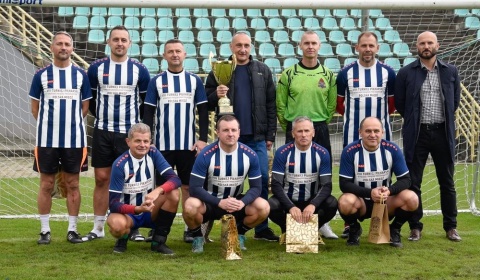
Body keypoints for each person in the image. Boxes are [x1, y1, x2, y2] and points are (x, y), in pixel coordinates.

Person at [205, 32, 278, 242]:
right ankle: (209, 227)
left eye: (246, 45)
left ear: (251, 47)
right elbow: (207, 102)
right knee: (220, 183)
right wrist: (215, 94)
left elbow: (270, 105)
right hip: (227, 142)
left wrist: (270, 134)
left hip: (256, 139)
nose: (243, 49)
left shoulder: (262, 70)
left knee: (262, 180)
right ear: (231, 47)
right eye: (239, 46)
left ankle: (260, 228)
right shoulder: (220, 69)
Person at [84, 25, 151, 242]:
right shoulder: (95, 68)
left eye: (124, 40)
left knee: (131, 181)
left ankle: (134, 226)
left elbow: (145, 104)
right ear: (109, 42)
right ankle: (98, 227)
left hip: (128, 135)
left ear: (130, 43)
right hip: (103, 131)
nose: (120, 43)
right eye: (116, 40)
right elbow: (91, 100)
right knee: (102, 179)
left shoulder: (140, 69)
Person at [394, 31, 461, 242]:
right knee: (414, 182)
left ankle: (451, 227)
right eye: (422, 43)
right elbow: (401, 104)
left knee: (447, 182)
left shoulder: (451, 71)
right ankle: (415, 226)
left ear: (437, 46)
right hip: (417, 134)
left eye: (430, 42)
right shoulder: (406, 73)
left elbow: (455, 102)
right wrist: (415, 122)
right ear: (417, 46)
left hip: (443, 132)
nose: (426, 46)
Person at [143, 39, 209, 243]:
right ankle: (157, 228)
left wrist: (202, 139)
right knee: (162, 189)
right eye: (170, 51)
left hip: (188, 146)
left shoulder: (194, 80)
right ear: (164, 56)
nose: (174, 54)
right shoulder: (156, 81)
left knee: (188, 188)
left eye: (178, 51)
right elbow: (148, 112)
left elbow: (203, 110)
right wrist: (149, 139)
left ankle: (190, 229)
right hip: (162, 147)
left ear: (185, 54)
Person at [29, 31, 92, 244]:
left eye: (67, 44)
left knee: (72, 184)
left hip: (74, 141)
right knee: (46, 184)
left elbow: (85, 107)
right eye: (59, 44)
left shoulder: (80, 75)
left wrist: (69, 124)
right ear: (52, 47)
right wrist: (51, 125)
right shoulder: (41, 75)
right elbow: (35, 108)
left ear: (72, 48)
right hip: (46, 140)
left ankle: (72, 230)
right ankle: (44, 231)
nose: (63, 47)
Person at [276, 30, 338, 239]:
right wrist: (291, 125)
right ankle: (290, 218)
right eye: (306, 43)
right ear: (300, 46)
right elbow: (280, 103)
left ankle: (320, 223)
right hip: (295, 127)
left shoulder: (328, 74)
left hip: (319, 127)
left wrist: (318, 123)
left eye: (314, 43)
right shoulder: (289, 73)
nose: (310, 47)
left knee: (322, 176)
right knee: (289, 174)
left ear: (319, 46)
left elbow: (331, 105)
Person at [336, 31, 396, 238]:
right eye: (364, 45)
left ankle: (382, 219)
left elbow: (391, 105)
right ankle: (349, 223)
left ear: (377, 48)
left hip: (381, 137)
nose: (368, 49)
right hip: (352, 135)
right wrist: (358, 125)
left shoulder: (388, 72)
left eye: (371, 45)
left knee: (382, 174)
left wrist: (373, 128)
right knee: (351, 177)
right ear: (357, 48)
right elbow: (339, 104)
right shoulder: (345, 73)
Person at [183, 115, 270, 253]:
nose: (230, 134)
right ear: (218, 132)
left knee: (263, 206)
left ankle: (239, 234)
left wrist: (243, 202)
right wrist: (219, 202)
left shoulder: (250, 155)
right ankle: (197, 237)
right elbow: (194, 188)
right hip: (211, 203)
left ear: (239, 132)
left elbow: (256, 188)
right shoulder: (205, 154)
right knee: (190, 205)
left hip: (236, 203)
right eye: (226, 130)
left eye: (234, 130)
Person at [338, 117, 418, 247]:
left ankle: (394, 229)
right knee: (345, 201)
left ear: (382, 132)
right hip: (361, 201)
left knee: (412, 198)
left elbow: (406, 180)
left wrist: (390, 190)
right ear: (360, 132)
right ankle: (354, 229)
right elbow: (344, 184)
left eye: (376, 131)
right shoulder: (350, 151)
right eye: (368, 131)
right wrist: (369, 193)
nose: (372, 135)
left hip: (386, 200)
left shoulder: (392, 149)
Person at [107, 123, 181, 254]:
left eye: (146, 141)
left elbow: (175, 179)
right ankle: (123, 237)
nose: (142, 145)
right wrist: (137, 209)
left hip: (150, 209)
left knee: (173, 193)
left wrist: (158, 191)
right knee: (116, 225)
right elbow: (113, 204)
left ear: (150, 142)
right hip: (128, 213)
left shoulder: (153, 153)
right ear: (128, 142)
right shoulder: (119, 164)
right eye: (138, 141)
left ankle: (158, 241)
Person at [268, 116, 338, 244]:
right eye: (299, 131)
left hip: (311, 202)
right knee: (271, 205)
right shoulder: (282, 152)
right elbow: (276, 184)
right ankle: (287, 230)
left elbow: (326, 185)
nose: (303, 135)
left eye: (307, 131)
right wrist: (291, 207)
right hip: (289, 202)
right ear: (293, 133)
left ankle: (313, 229)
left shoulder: (322, 153)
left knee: (332, 203)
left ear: (313, 133)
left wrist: (313, 205)